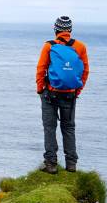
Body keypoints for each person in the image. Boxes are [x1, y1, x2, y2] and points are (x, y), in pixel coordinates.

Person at [35, 15, 90, 174]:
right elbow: (85, 71)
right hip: (70, 95)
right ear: (70, 30)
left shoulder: (48, 46)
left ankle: (51, 164)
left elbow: (41, 69)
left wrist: (40, 89)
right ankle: (71, 164)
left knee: (49, 128)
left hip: (50, 94)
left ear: (56, 30)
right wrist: (77, 90)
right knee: (68, 128)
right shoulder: (80, 47)